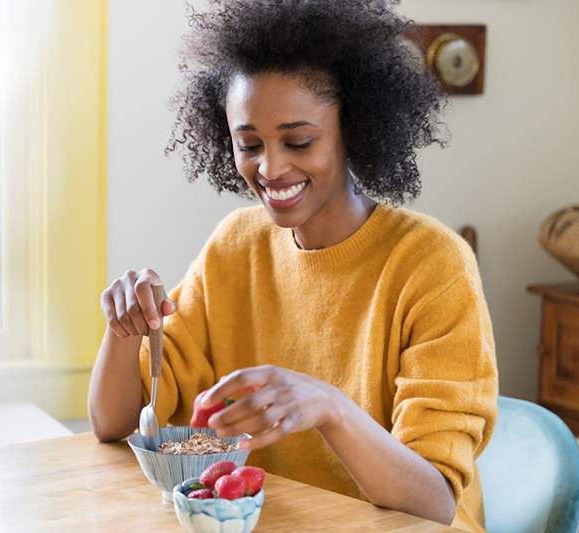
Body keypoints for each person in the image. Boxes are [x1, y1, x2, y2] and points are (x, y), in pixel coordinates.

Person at [89, 1, 498, 531]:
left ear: (354, 126)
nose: (271, 167)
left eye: (299, 141)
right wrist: (124, 329)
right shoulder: (234, 247)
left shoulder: (433, 265)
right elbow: (112, 423)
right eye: (249, 144)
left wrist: (328, 406)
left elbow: (435, 501)